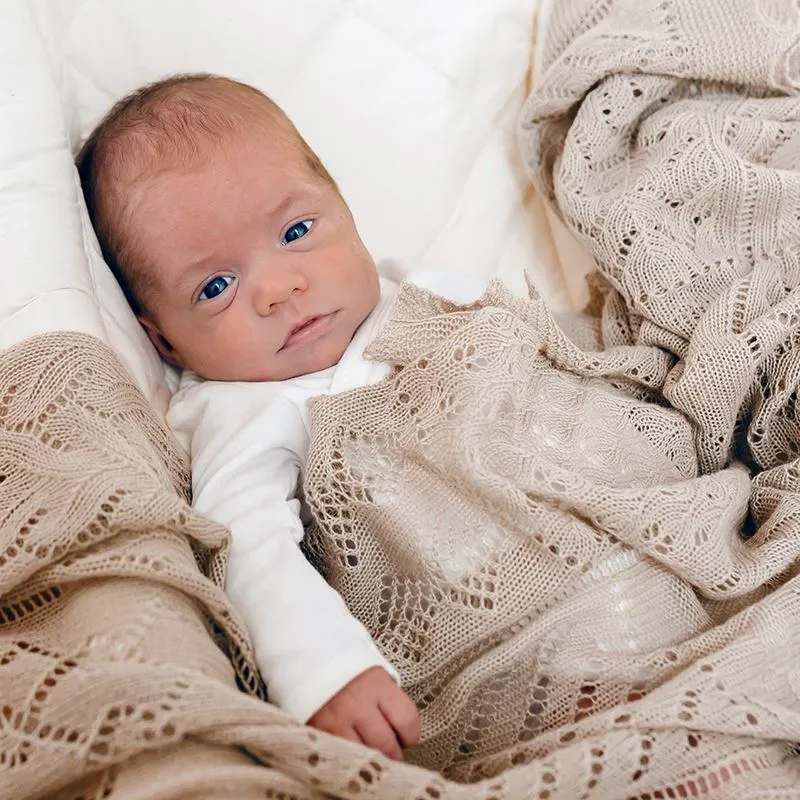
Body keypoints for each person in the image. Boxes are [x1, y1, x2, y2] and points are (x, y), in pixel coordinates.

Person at [78, 73, 483, 760]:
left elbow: (548, 355)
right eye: (215, 286)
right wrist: (326, 671)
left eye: (296, 230)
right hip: (478, 621)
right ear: (165, 342)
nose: (277, 287)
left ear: (344, 208)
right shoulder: (243, 410)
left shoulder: (425, 295)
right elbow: (251, 548)